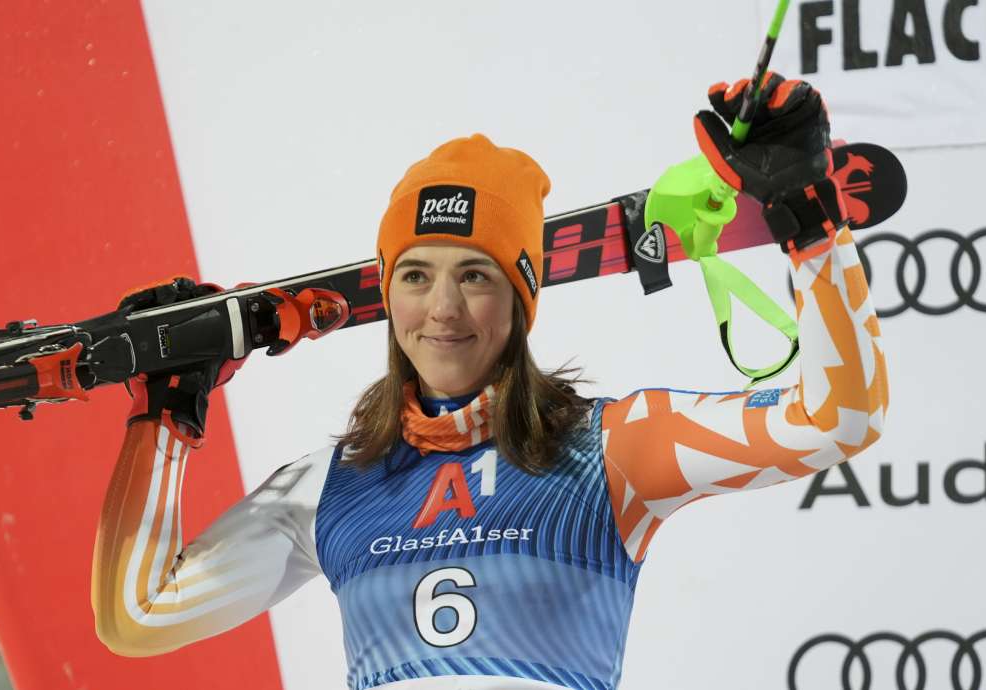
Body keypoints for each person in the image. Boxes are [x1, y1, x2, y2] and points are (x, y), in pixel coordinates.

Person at [90, 72, 888, 690]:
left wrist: (808, 219)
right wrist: (169, 409)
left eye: (475, 275)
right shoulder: (327, 486)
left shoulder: (612, 450)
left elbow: (837, 419)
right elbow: (137, 615)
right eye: (415, 276)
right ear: (387, 292)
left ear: (522, 295)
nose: (441, 310)